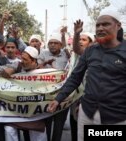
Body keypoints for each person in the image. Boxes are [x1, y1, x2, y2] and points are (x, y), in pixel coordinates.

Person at [47, 10, 126, 141]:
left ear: (118, 26)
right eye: (98, 25)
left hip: (116, 117)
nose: (100, 28)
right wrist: (58, 99)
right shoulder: (90, 51)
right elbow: (75, 77)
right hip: (87, 113)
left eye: (105, 24)